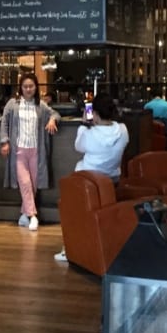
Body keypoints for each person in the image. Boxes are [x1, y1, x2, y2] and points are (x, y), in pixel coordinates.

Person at [54, 94, 129, 262]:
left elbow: (78, 147)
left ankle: (70, 248)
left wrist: (83, 125)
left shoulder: (89, 134)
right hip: (112, 179)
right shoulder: (123, 130)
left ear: (94, 114)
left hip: (88, 180)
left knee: (70, 207)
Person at [0, 73, 59, 231]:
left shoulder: (41, 105)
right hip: (18, 151)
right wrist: (4, 141)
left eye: (31, 86)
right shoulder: (13, 103)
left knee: (33, 185)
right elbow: (4, 122)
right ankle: (33, 216)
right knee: (25, 183)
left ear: (36, 87)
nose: (28, 89)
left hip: (36, 151)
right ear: (21, 87)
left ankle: (24, 216)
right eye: (25, 86)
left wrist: (52, 119)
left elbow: (55, 113)